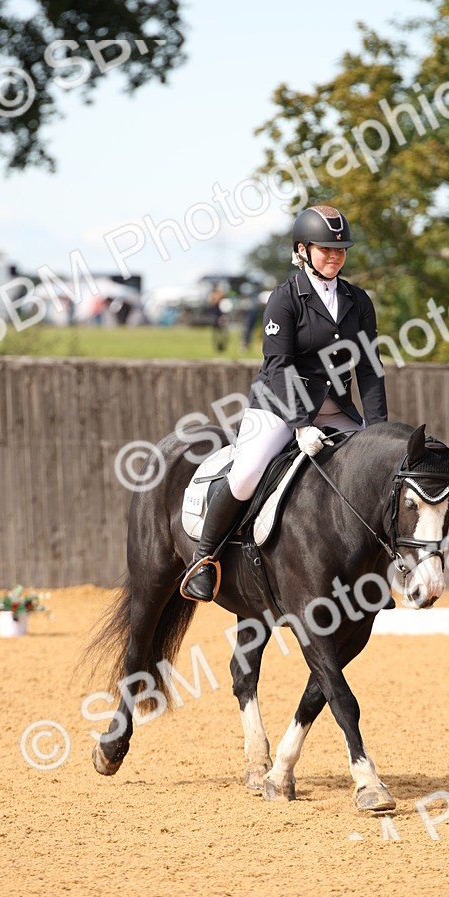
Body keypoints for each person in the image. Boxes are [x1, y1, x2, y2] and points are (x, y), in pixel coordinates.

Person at [181, 203, 388, 602]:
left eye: (340, 249)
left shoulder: (358, 301)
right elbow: (278, 365)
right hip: (278, 405)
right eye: (326, 248)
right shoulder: (285, 299)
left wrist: (377, 429)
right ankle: (204, 559)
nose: (334, 256)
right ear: (302, 250)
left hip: (336, 408)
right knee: (246, 473)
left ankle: (377, 573)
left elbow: (369, 369)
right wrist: (298, 423)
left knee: (374, 474)